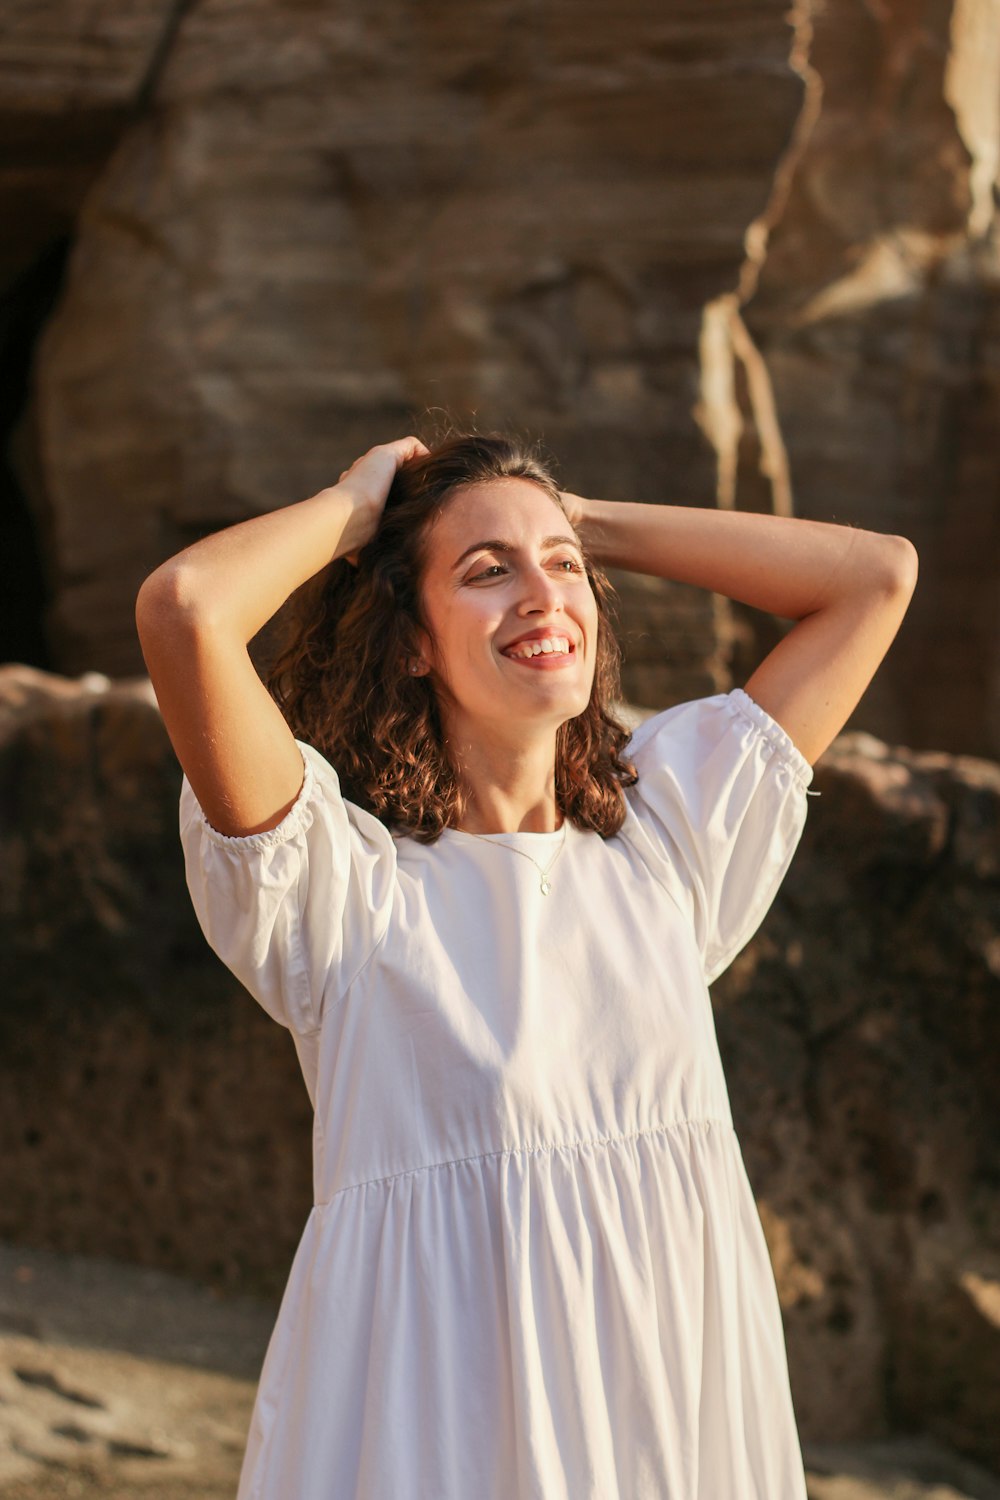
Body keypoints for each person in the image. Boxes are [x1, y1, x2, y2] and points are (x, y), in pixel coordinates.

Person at [135, 428, 918, 1499]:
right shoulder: (341, 892)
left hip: (670, 1420)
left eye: (563, 570)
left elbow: (877, 577)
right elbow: (186, 609)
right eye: (484, 572)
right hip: (440, 1430)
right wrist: (355, 508)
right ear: (411, 640)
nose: (543, 593)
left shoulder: (667, 837)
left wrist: (575, 519)